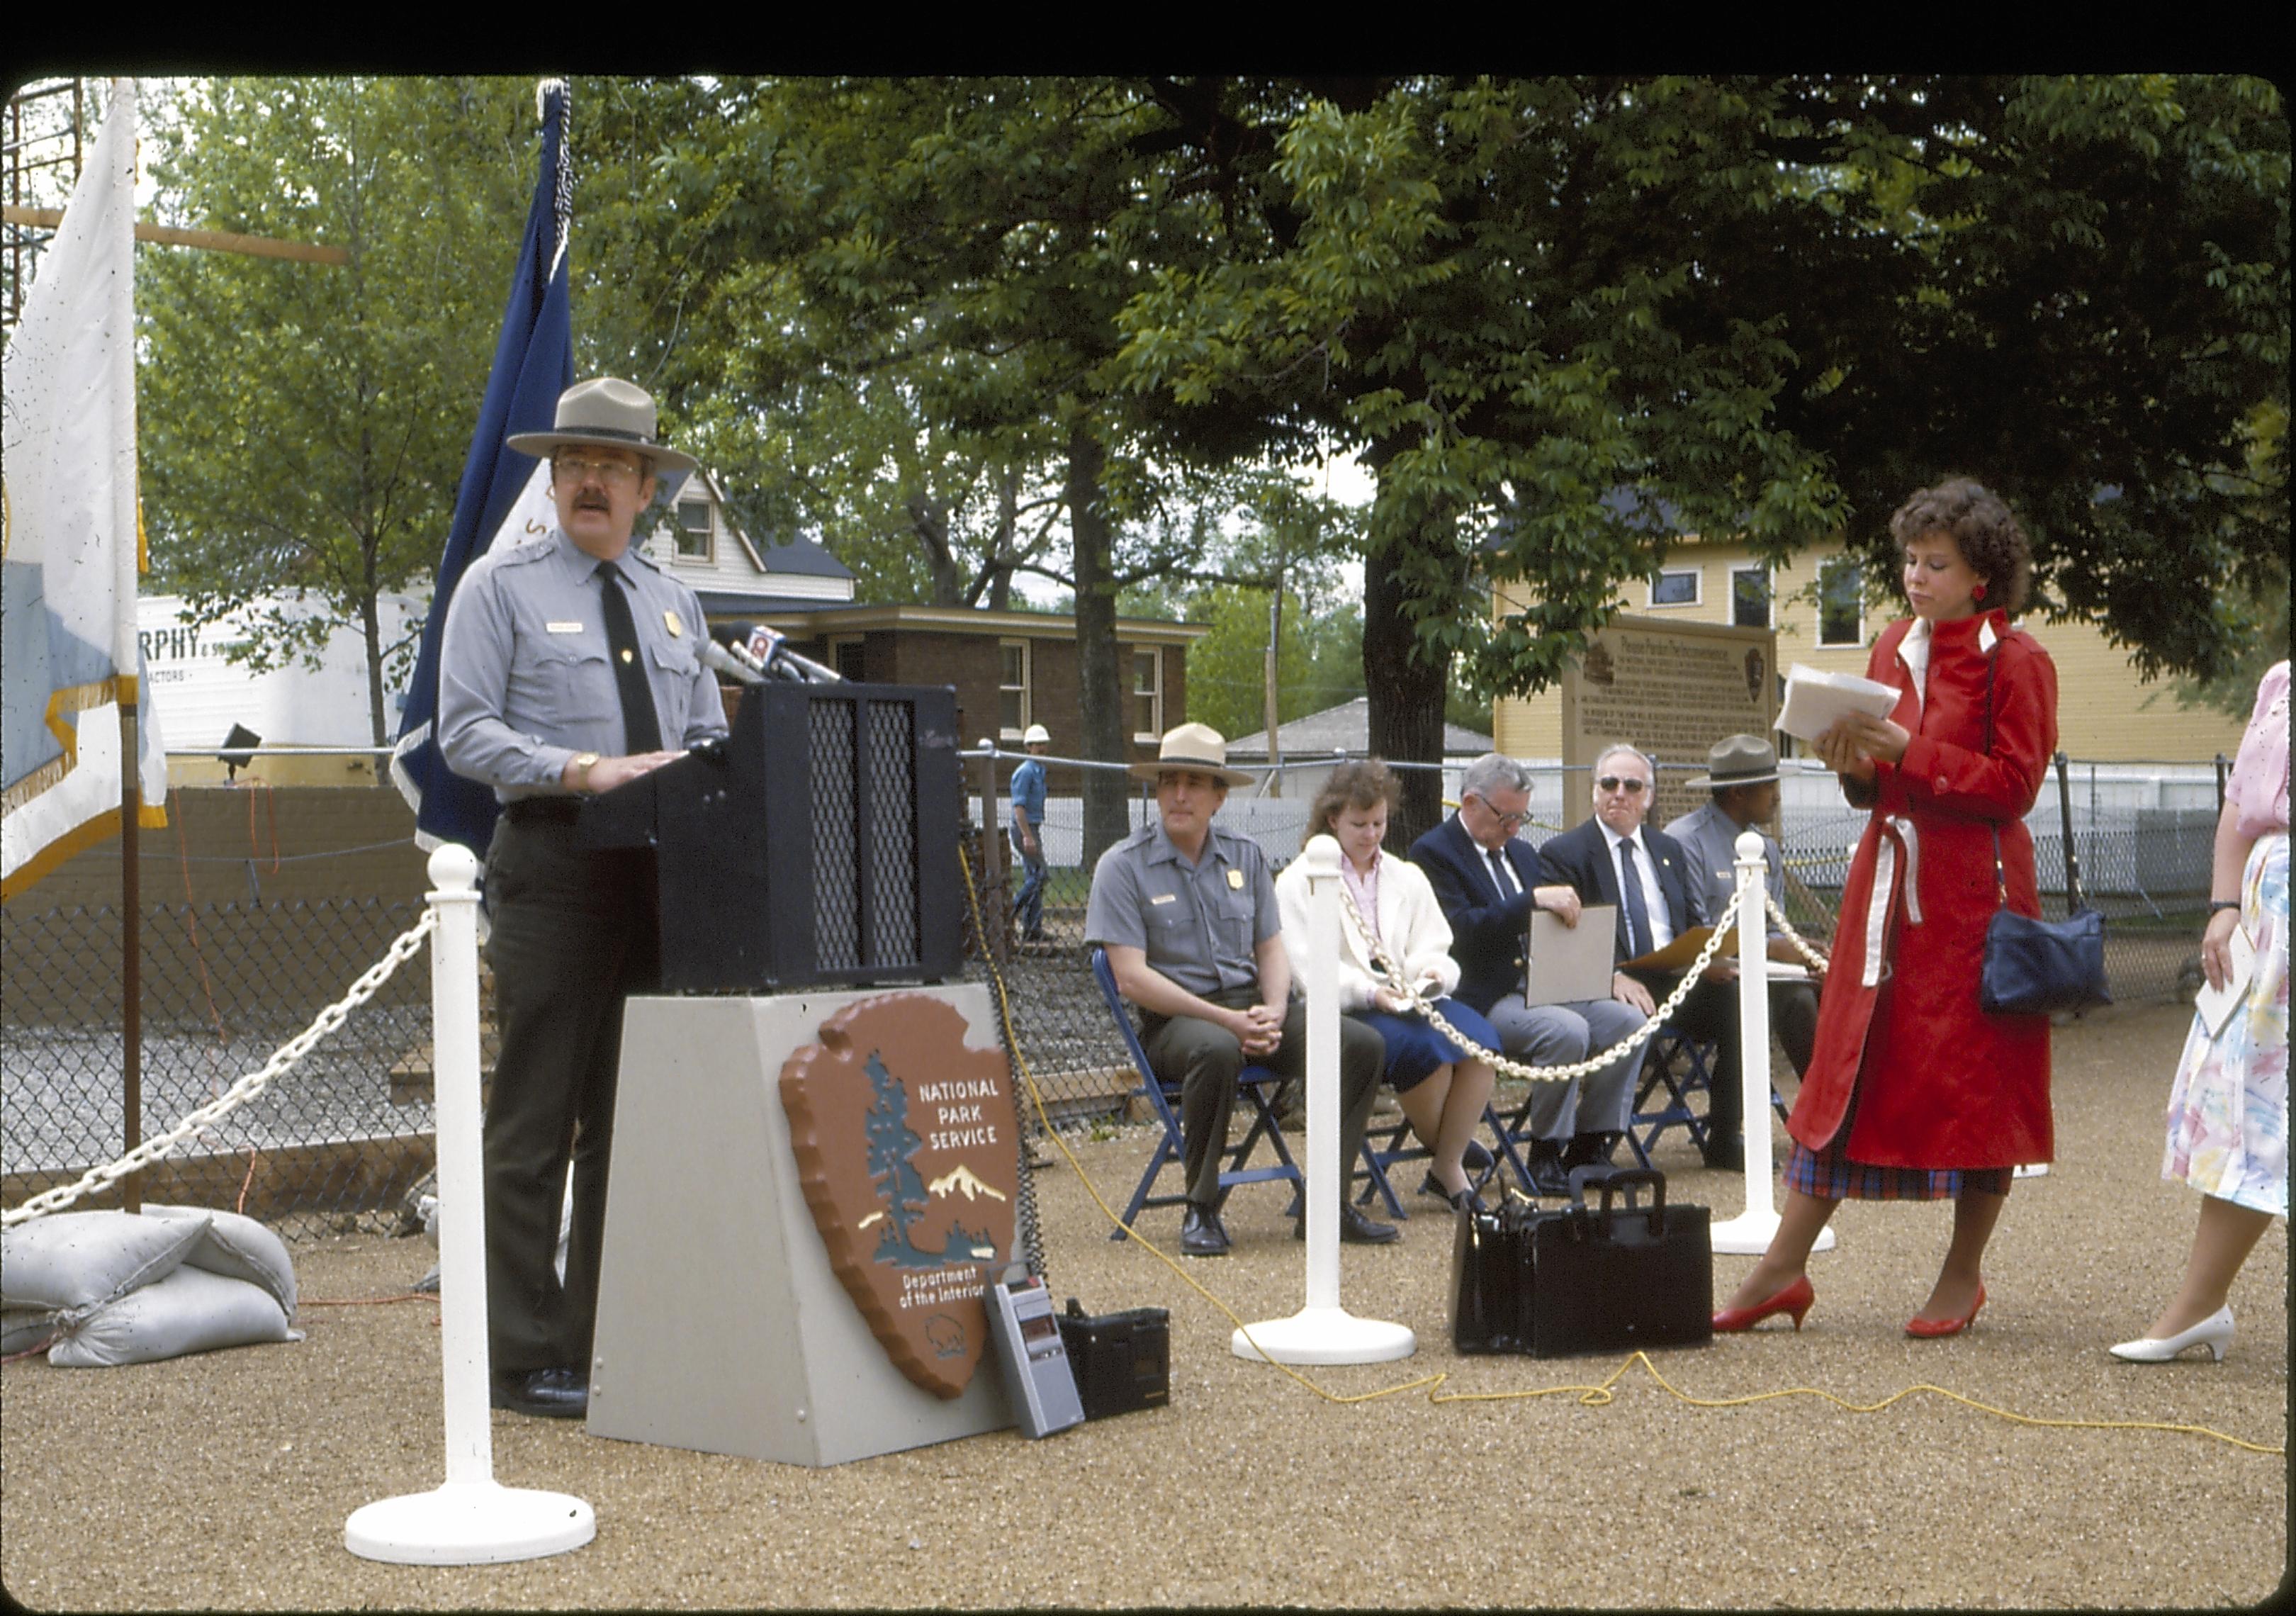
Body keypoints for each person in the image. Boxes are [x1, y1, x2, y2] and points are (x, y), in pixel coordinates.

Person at [438, 376, 726, 1417]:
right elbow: (462, 734)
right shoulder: (499, 589)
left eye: (611, 467)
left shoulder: (672, 600)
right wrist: (579, 769)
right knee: (534, 1117)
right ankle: (516, 1358)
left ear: (648, 487)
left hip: (658, 874)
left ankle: (595, 1337)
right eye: (573, 465)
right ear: (554, 481)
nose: (589, 481)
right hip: (556, 867)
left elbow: (705, 740)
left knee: (625, 1118)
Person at [1714, 476, 2059, 1338]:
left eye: (1935, 564)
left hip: (1977, 898)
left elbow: (2015, 788)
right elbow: (1873, 789)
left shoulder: (2018, 662)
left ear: (1982, 575)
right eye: (1910, 559)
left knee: (1980, 1083)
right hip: (1887, 886)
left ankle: (1962, 1272)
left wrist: (1911, 750)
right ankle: (1782, 1267)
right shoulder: (1890, 646)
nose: (1916, 576)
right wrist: (1855, 764)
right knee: (1846, 1063)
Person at [1085, 723, 1395, 1256]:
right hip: (1175, 1025)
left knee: (1360, 1044)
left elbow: (1271, 949)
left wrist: (1274, 1011)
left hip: (1252, 1008)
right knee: (1216, 1047)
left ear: (1219, 797)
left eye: (1195, 784)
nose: (1179, 795)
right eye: (1169, 783)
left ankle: (1328, 1203)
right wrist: (1227, 1020)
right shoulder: (1122, 866)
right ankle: (1201, 1208)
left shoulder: (1245, 855)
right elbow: (1130, 977)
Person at [2111, 659, 2287, 1363]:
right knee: (2245, 1104)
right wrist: (2223, 905)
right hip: (2264, 911)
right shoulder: (2281, 681)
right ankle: (2200, 1305)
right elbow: (2239, 801)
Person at [1411, 753, 1648, 1196]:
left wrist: (1600, 970)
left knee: (1629, 1023)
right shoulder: (1433, 853)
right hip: (1483, 994)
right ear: (1469, 803)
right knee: (1566, 1031)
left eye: (1522, 817)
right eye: (1507, 817)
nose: (1515, 828)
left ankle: (1592, 1144)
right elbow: (1460, 931)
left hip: (1544, 982)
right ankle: (1546, 1153)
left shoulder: (1521, 853)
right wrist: (1532, 902)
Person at [1276, 760, 1501, 1212]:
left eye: (1379, 822)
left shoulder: (1405, 875)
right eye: (1359, 824)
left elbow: (1433, 940)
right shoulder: (1299, 881)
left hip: (1410, 996)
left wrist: (1430, 974)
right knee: (1427, 1050)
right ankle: (1452, 1158)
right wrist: (1371, 993)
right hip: (1352, 1007)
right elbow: (1306, 967)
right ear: (1332, 819)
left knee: (1482, 1040)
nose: (1371, 834)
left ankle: (1446, 1160)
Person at [1537, 743, 1748, 1171]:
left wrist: (1707, 959)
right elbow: (1561, 942)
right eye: (1609, 784)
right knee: (1625, 1019)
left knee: (1741, 1005)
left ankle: (1725, 1136)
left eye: (1632, 786)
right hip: (1612, 980)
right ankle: (1593, 1143)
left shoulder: (1666, 848)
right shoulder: (1566, 853)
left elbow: (1691, 919)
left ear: (1648, 797)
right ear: (1595, 792)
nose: (1620, 793)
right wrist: (1608, 975)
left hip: (1674, 976)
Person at [1663, 734, 1824, 1083]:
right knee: (1745, 1006)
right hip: (1705, 978)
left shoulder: (1766, 848)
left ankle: (1832, 1114)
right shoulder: (1685, 841)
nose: (1778, 797)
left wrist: (1799, 951)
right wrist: (1768, 947)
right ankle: (1728, 1133)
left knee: (1827, 990)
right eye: (1770, 787)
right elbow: (1695, 931)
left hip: (1760, 972)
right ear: (1738, 793)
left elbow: (1774, 921)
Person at [1010, 723, 1051, 942]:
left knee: (1033, 875)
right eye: (1038, 744)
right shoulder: (1025, 772)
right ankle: (1011, 911)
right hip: (1024, 828)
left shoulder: (1040, 770)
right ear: (1029, 747)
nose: (1042, 748)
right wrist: (1027, 836)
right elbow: (1019, 807)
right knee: (1041, 875)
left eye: (1044, 744)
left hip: (1033, 827)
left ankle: (1032, 929)